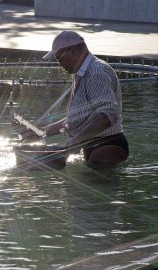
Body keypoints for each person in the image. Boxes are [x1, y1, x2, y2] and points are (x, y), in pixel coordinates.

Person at [42, 30, 129, 168]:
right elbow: (76, 121)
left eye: (59, 58)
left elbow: (108, 114)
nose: (59, 64)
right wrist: (42, 132)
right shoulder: (83, 73)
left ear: (72, 51)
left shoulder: (96, 72)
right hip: (96, 146)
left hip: (107, 146)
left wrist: (78, 140)